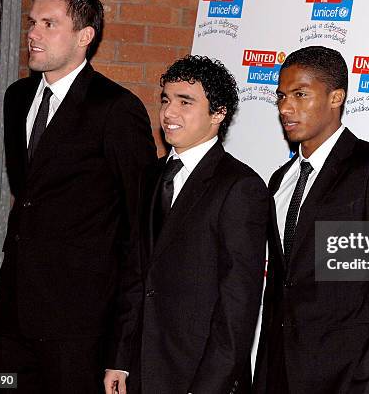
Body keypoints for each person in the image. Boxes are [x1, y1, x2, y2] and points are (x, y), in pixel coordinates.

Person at [0, 0, 157, 393]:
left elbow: (140, 229)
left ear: (85, 36)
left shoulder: (117, 109)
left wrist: (121, 348)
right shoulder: (16, 97)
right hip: (12, 315)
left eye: (49, 24)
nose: (32, 33)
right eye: (31, 22)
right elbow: (29, 196)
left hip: (79, 327)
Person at [252, 46, 369, 394]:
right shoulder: (280, 180)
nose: (285, 107)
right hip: (278, 369)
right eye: (281, 96)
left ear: (336, 97)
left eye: (300, 94)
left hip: (346, 373)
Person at [104, 55, 270, 394]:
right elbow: (135, 275)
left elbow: (238, 305)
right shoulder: (150, 175)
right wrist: (119, 358)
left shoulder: (239, 186)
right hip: (140, 369)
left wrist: (208, 387)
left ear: (218, 113)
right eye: (166, 99)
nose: (168, 113)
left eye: (185, 102)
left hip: (199, 375)